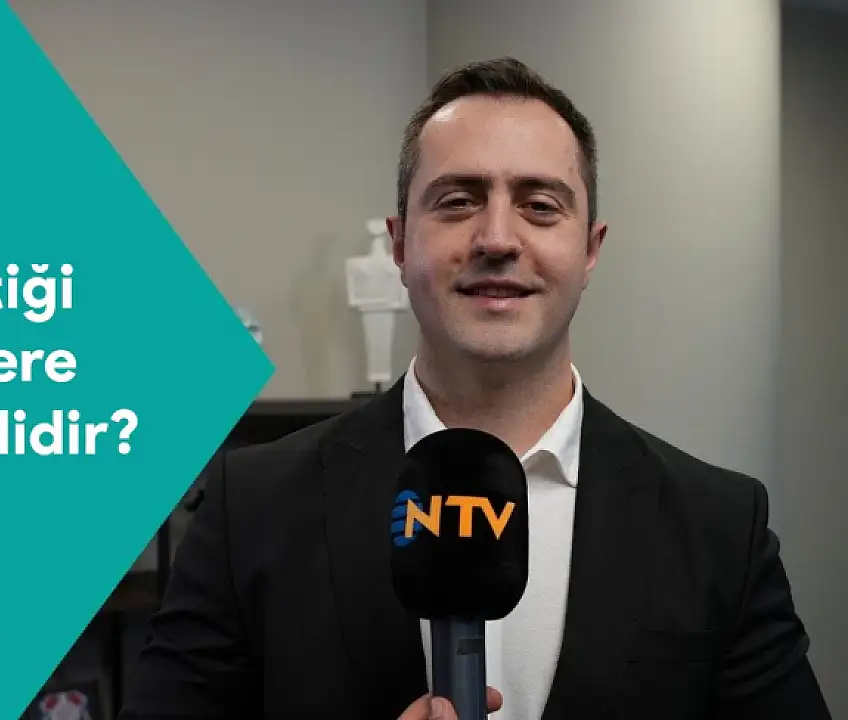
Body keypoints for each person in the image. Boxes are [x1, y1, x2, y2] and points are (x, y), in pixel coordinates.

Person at [116, 58, 830, 720]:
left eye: (540, 206)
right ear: (400, 245)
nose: (496, 238)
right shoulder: (252, 508)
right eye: (458, 201)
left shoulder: (719, 528)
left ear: (590, 251)